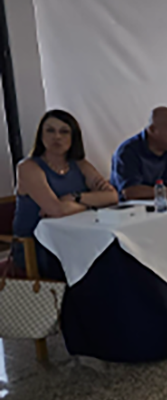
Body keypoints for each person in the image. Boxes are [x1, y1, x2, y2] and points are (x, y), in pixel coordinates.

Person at [13, 110, 119, 278]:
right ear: (41, 136)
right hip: (37, 246)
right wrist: (90, 204)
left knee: (116, 254)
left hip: (77, 237)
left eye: (64, 132)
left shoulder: (81, 165)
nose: (57, 137)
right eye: (50, 131)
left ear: (73, 137)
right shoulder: (28, 167)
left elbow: (112, 197)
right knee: (101, 265)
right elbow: (57, 210)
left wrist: (76, 198)